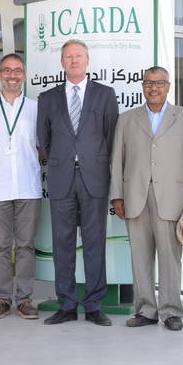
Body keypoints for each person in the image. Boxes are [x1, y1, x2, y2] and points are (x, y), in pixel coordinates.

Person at [109, 66, 183, 331]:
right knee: (139, 257)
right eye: (149, 83)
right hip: (134, 197)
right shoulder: (126, 119)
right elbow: (117, 161)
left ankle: (172, 311)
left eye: (159, 83)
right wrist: (117, 195)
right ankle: (146, 311)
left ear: (168, 86)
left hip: (172, 198)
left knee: (171, 258)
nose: (154, 88)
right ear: (142, 86)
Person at [37, 39, 119, 326]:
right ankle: (67, 304)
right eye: (68, 56)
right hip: (61, 178)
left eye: (78, 56)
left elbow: (111, 138)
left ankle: (94, 305)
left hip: (94, 178)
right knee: (62, 243)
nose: (73, 60)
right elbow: (43, 139)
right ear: (61, 62)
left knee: (95, 241)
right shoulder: (47, 98)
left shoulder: (105, 95)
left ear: (87, 60)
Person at [0, 53, 41, 320]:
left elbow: (41, 147)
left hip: (28, 186)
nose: (12, 75)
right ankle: (2, 299)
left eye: (17, 71)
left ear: (24, 75)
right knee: (1, 246)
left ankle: (24, 300)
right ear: (0, 75)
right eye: (7, 71)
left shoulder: (35, 109)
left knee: (25, 246)